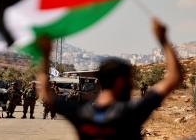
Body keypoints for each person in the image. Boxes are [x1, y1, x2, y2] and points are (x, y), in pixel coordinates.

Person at [36, 19, 183, 139]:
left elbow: (45, 92)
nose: (131, 85)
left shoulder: (81, 113)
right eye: (130, 80)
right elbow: (174, 77)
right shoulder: (130, 112)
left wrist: (45, 53)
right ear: (120, 82)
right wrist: (163, 39)